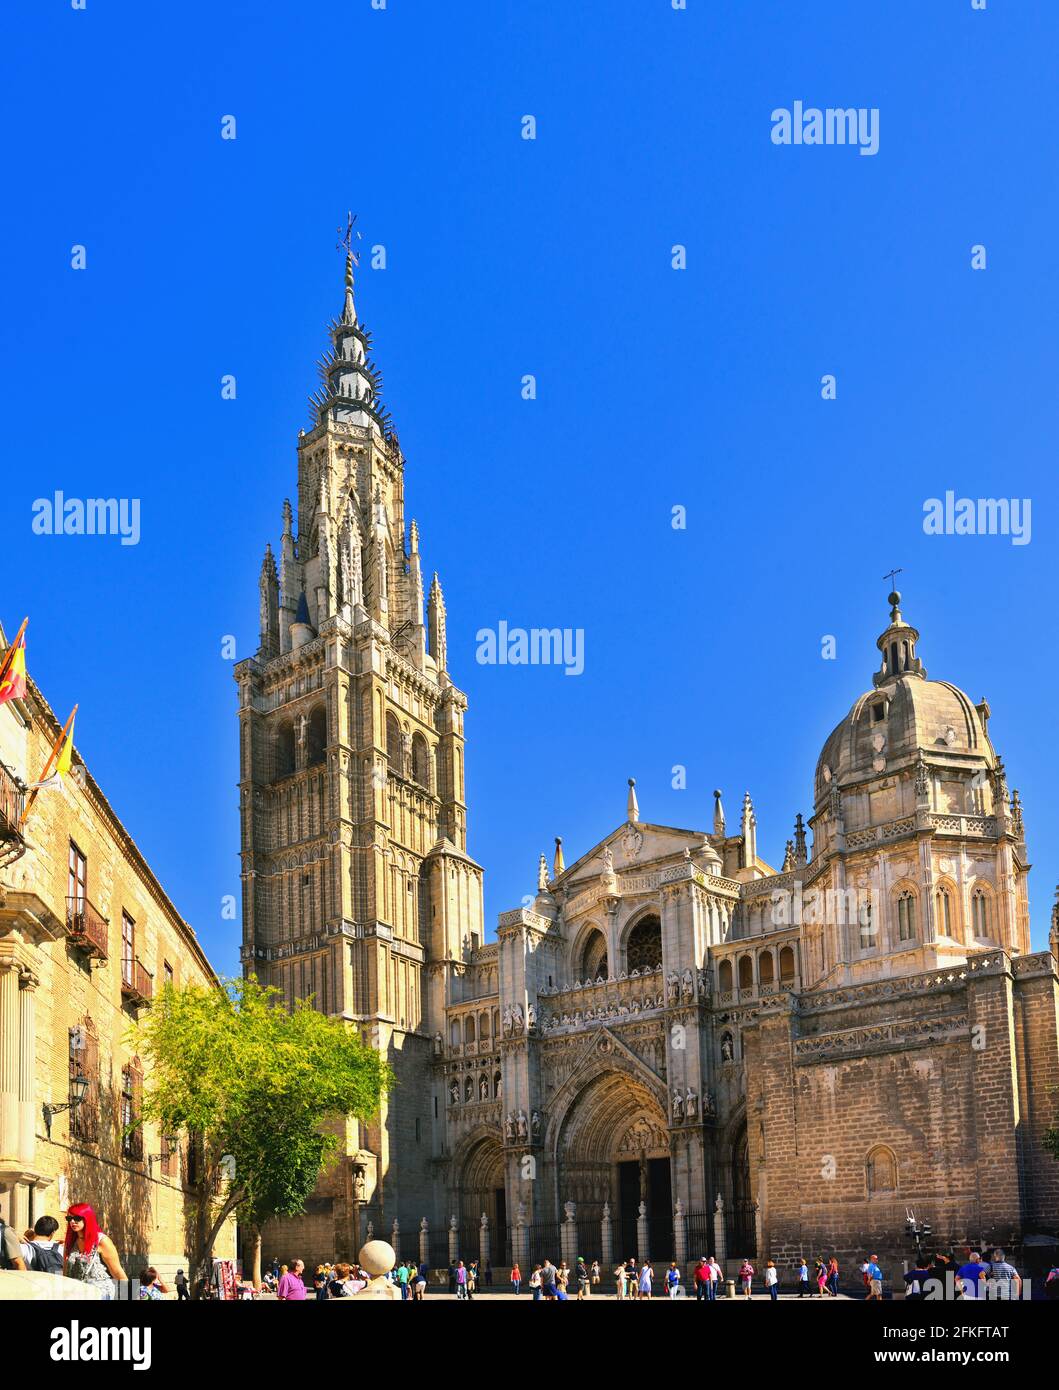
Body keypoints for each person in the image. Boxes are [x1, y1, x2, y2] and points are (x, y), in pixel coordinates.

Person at [63, 1204, 127, 1298]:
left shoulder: (101, 1241)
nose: (72, 1222)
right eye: (69, 1218)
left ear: (86, 1218)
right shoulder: (71, 1242)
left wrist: (126, 1296)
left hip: (99, 1292)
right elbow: (65, 1270)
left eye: (77, 1218)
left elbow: (117, 1272)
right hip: (77, 1292)